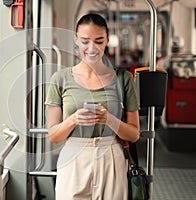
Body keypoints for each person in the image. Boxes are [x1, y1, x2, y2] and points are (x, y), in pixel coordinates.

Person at [45, 13, 140, 199]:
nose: (92, 48)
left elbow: (134, 134)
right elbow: (54, 136)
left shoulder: (123, 79)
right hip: (73, 158)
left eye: (98, 41)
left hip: (111, 156)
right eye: (85, 41)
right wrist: (73, 119)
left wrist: (110, 120)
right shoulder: (61, 79)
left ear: (107, 40)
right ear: (76, 41)